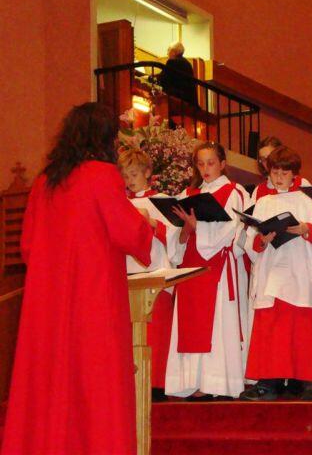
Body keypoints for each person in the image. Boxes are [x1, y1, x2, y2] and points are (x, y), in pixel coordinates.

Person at [1, 103, 154, 455]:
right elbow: (127, 231)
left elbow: (27, 246)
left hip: (48, 302)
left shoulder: (45, 182)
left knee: (50, 381)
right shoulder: (102, 175)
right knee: (96, 383)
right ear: (104, 138)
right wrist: (146, 223)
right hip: (93, 298)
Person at [240, 147, 312, 401]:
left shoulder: (305, 199)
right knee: (271, 325)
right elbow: (251, 242)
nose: (278, 177)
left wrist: (305, 228)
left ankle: (308, 381)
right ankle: (269, 381)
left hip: (299, 269)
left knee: (301, 325)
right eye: (275, 172)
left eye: (284, 172)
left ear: (294, 175)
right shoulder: (264, 203)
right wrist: (263, 240)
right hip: (272, 269)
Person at [164, 142, 245, 400]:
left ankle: (217, 382)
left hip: (216, 265)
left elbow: (229, 231)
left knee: (216, 324)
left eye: (211, 163)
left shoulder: (234, 191)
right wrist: (187, 228)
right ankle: (190, 382)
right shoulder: (188, 192)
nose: (206, 168)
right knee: (190, 323)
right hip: (190, 265)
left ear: (222, 164)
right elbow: (175, 237)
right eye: (200, 163)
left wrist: (199, 226)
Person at [118, 148, 178, 400]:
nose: (129, 180)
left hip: (155, 271)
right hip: (127, 273)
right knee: (128, 332)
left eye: (133, 174)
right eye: (125, 175)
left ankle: (156, 384)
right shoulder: (120, 202)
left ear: (147, 173)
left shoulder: (162, 200)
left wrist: (152, 223)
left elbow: (177, 236)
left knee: (156, 332)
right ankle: (130, 384)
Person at [158, 41, 198, 107]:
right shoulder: (187, 64)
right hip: (189, 99)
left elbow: (163, 78)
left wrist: (149, 78)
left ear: (174, 52)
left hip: (177, 97)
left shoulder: (172, 62)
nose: (167, 53)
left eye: (168, 50)